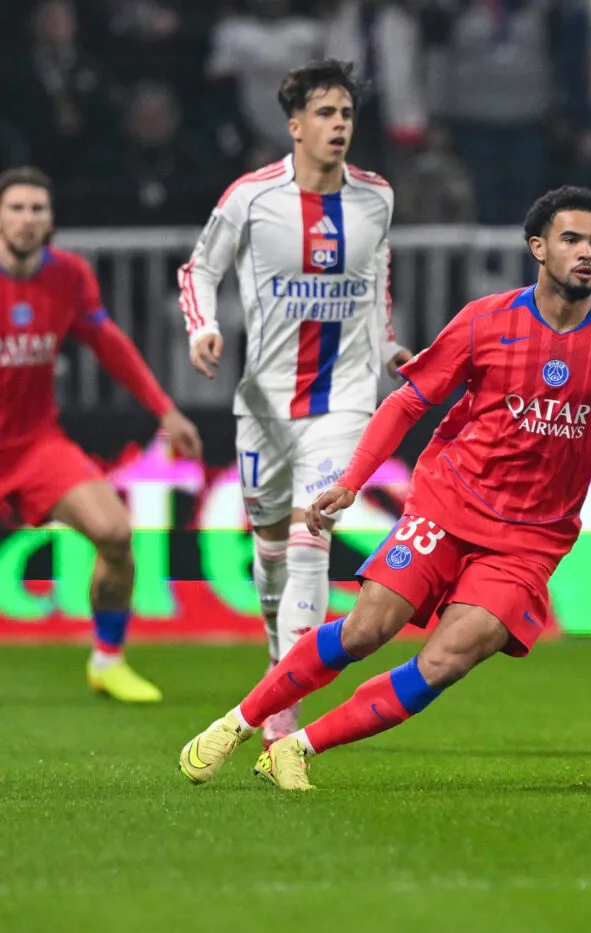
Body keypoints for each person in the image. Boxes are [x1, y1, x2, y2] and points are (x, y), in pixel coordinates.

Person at [177, 186, 591, 791]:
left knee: (444, 662)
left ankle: (298, 748)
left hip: (530, 541)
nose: (587, 254)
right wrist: (350, 482)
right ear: (538, 248)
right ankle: (236, 724)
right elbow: (407, 401)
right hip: (448, 505)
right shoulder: (487, 321)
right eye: (572, 240)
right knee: (366, 630)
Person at [177, 59, 410, 748]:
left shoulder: (376, 197)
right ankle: (281, 669)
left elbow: (376, 283)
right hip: (268, 404)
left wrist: (391, 346)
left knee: (311, 537)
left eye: (347, 114)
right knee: (272, 552)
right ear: (295, 125)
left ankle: (284, 719)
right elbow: (200, 266)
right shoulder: (251, 196)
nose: (339, 125)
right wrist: (204, 326)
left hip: (346, 399)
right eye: (326, 114)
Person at [0, 166, 202, 701]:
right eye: (16, 208)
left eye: (37, 209)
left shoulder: (68, 275)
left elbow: (107, 342)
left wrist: (165, 410)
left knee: (115, 534)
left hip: (36, 444)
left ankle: (107, 662)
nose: (26, 219)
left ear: (50, 221)